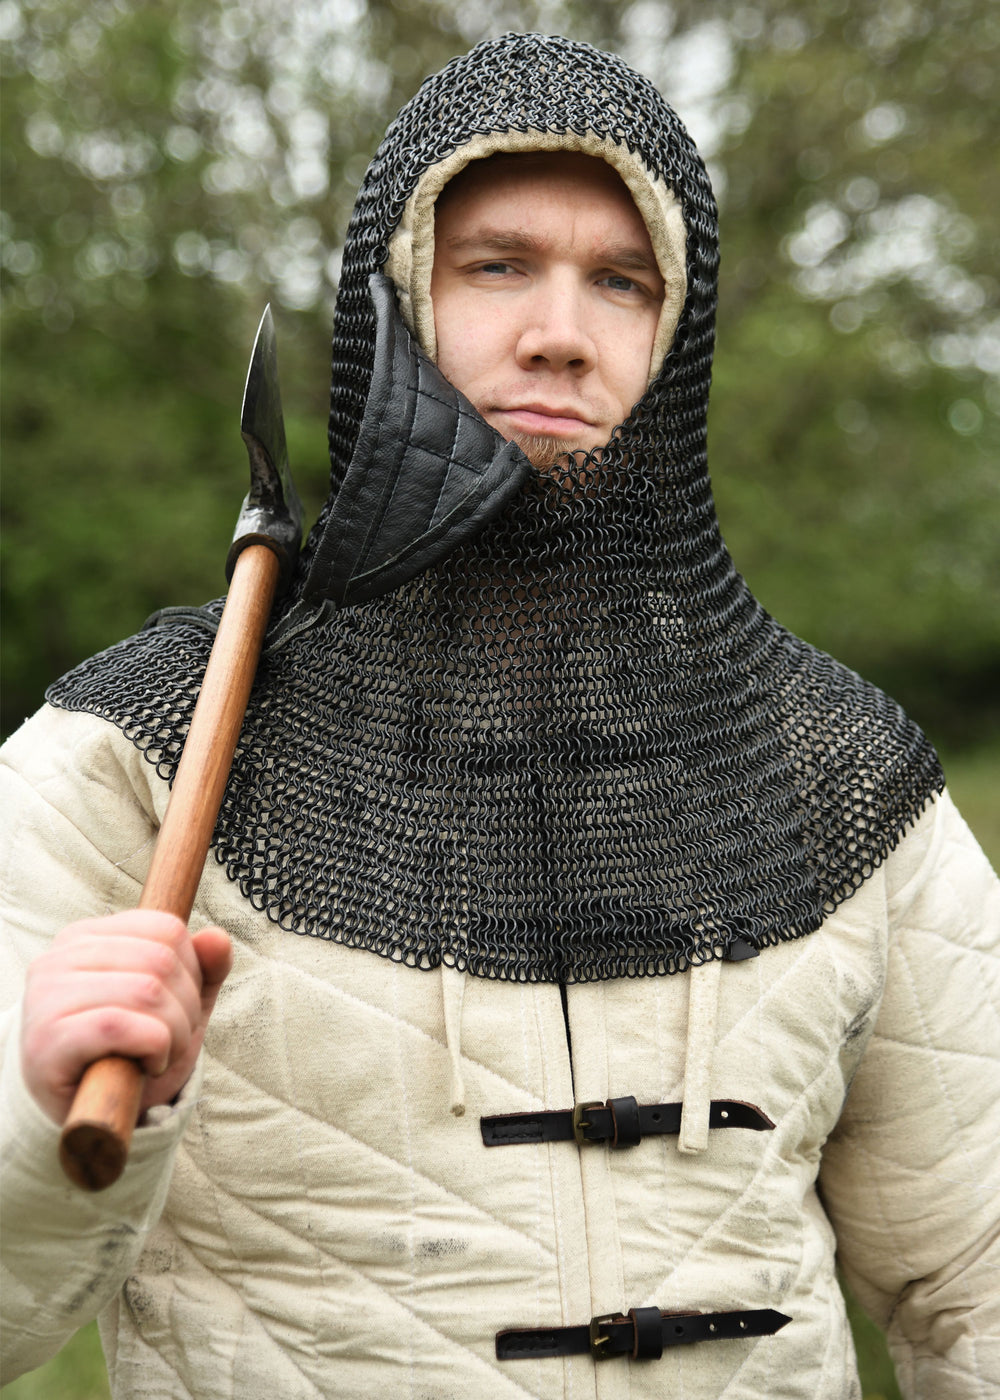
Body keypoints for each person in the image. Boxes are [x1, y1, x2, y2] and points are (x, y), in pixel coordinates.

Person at [2, 32, 998, 1400]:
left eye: (621, 283)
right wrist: (37, 1114)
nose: (559, 334)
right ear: (395, 299)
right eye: (497, 265)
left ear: (675, 332)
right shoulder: (139, 758)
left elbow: (980, 1279)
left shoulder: (830, 774)